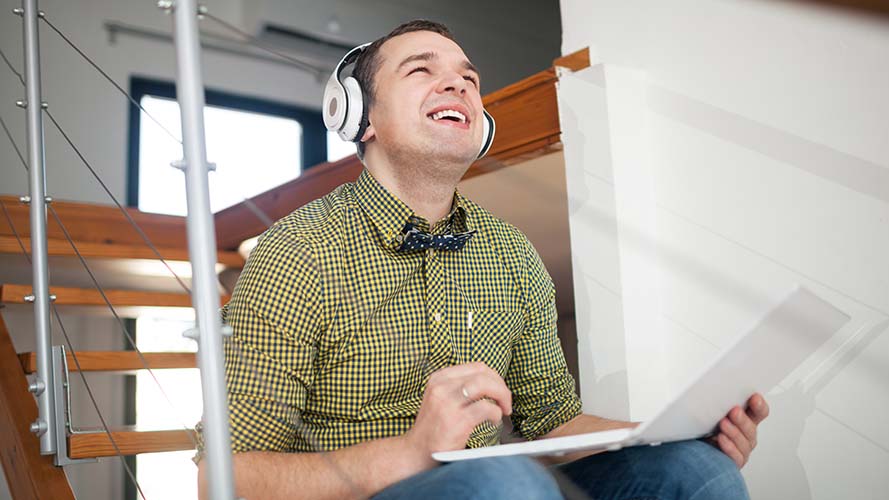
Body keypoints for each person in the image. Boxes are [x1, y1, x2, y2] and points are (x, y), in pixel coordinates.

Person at [195, 20, 770, 500]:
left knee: (697, 473)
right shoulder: (297, 252)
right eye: (422, 71)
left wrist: (672, 433)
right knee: (504, 478)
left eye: (468, 80)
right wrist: (413, 453)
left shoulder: (512, 254)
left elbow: (556, 424)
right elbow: (223, 478)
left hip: (498, 487)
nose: (458, 86)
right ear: (359, 116)